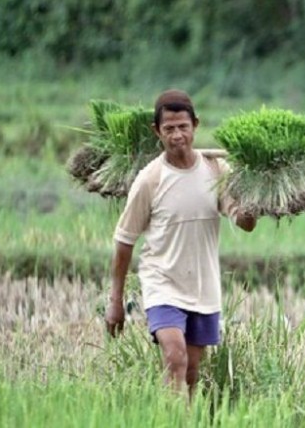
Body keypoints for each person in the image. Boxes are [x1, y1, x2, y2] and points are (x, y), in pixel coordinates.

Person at [104, 89, 257, 398]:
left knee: (191, 372)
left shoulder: (216, 170)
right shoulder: (151, 179)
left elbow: (245, 222)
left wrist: (257, 192)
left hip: (203, 286)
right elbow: (124, 241)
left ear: (195, 125)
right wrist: (115, 300)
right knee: (175, 358)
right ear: (156, 131)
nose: (177, 135)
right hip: (163, 283)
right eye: (169, 128)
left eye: (183, 127)